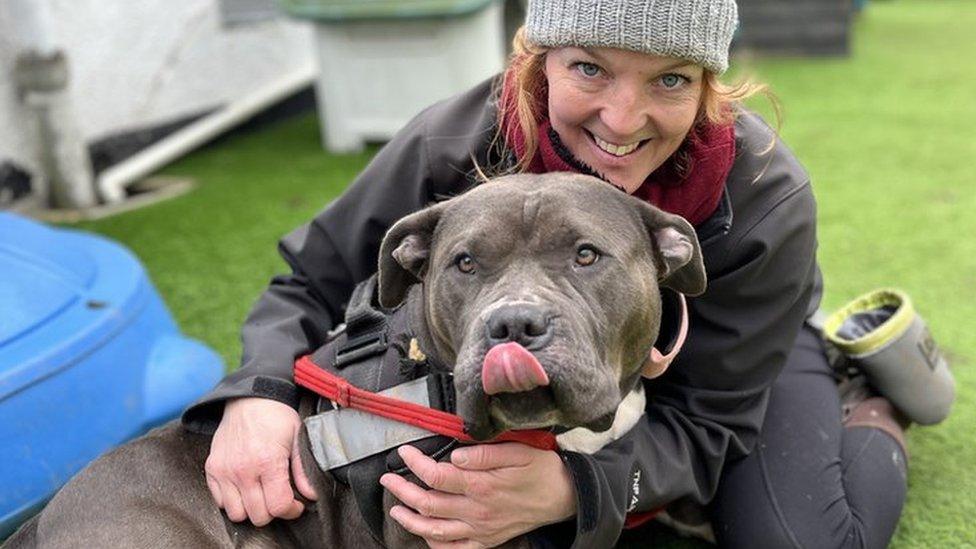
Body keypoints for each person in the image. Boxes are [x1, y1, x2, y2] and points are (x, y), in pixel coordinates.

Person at [182, 1, 913, 547]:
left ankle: (872, 401)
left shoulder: (762, 198)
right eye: (589, 68)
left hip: (721, 362)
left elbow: (712, 417)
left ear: (707, 86)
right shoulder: (453, 144)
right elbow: (311, 278)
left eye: (669, 80)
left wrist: (577, 487)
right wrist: (259, 391)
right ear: (539, 60)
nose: (623, 119)